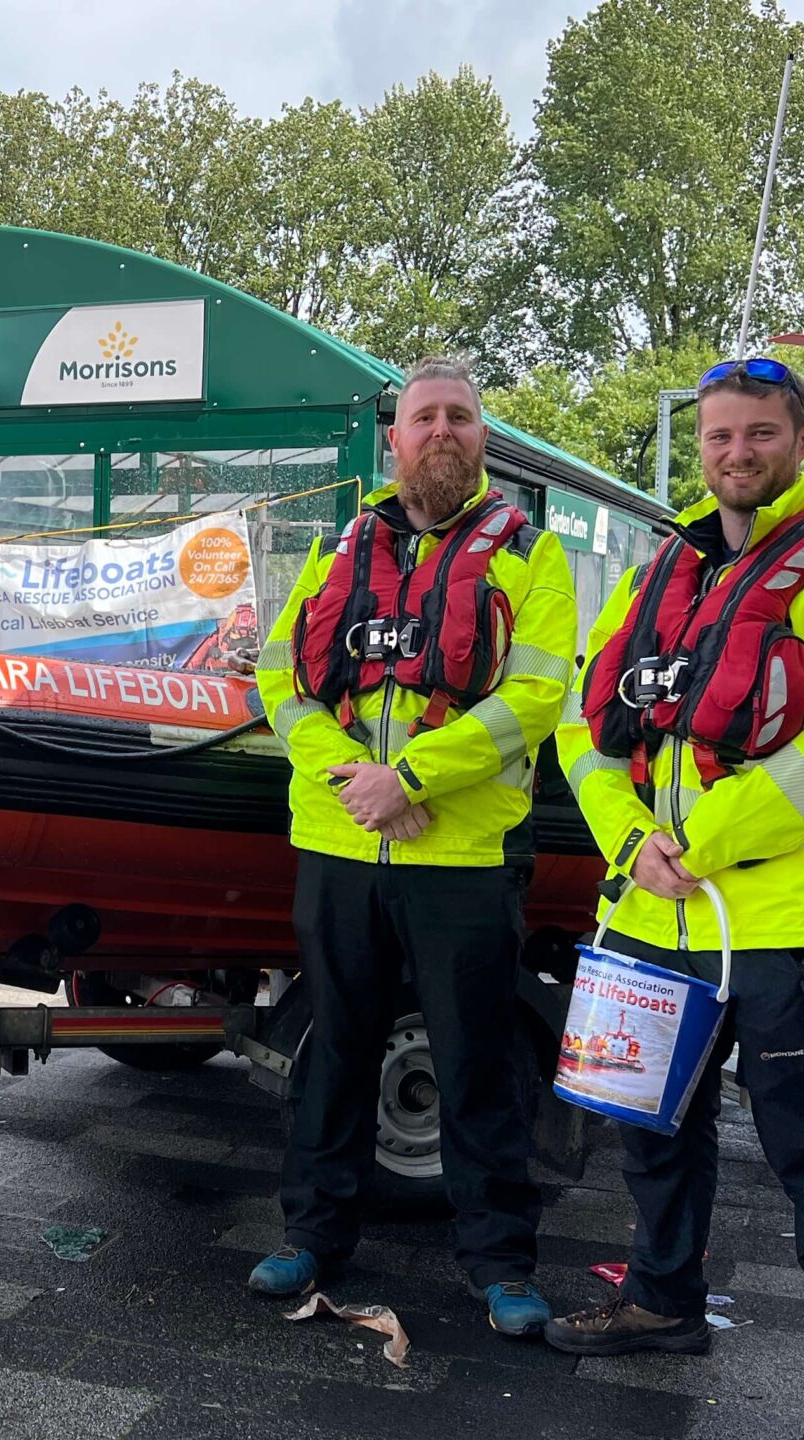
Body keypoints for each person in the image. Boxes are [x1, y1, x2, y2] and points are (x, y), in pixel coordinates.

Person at [547, 358, 804, 1440]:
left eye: (758, 435)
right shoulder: (658, 567)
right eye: (717, 437)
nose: (735, 455)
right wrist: (631, 841)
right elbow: (585, 720)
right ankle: (662, 1300)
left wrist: (694, 845)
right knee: (651, 1124)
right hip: (650, 899)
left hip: (776, 907)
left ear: (798, 443)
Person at [249, 355, 576, 1336]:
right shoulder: (333, 553)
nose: (442, 432)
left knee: (476, 1065)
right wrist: (357, 778)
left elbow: (535, 696)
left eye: (460, 419)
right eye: (424, 417)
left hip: (462, 858)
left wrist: (415, 777)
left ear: (484, 440)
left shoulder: (531, 557)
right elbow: (281, 681)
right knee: (334, 1053)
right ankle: (312, 1236)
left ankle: (498, 1262)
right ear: (392, 440)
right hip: (342, 844)